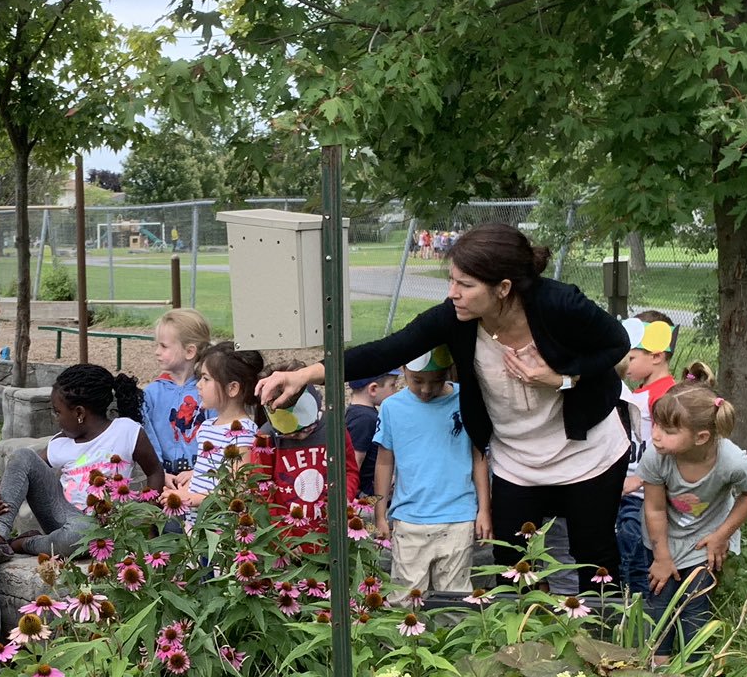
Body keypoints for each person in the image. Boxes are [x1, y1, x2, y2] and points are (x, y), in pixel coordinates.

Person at [258, 223, 631, 580]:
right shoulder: (455, 318)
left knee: (592, 558)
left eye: (465, 285)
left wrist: (563, 378)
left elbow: (617, 344)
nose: (452, 292)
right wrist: (303, 375)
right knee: (511, 560)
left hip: (587, 452)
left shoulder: (560, 304)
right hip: (518, 459)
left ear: (502, 288)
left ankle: (602, 642)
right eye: (451, 280)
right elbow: (385, 352)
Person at [0, 364, 163, 561]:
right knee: (24, 454)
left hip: (105, 527)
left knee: (81, 534)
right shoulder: (61, 442)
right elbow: (24, 466)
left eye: (58, 412)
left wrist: (147, 519)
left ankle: (25, 543)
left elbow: (155, 472)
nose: (56, 418)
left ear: (79, 413)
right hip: (62, 516)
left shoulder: (126, 431)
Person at [639, 377, 747, 658]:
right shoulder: (656, 457)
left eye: (668, 430)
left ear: (701, 437)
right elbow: (655, 509)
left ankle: (692, 667)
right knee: (659, 599)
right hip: (662, 538)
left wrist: (722, 535)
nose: (656, 435)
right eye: (655, 425)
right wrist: (661, 558)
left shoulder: (732, 461)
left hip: (705, 541)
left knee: (695, 603)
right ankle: (657, 667)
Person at [373, 355, 489, 597]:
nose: (426, 390)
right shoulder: (392, 408)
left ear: (448, 371)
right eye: (417, 381)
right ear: (403, 368)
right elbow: (384, 462)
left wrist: (484, 510)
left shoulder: (467, 399)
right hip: (409, 519)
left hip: (458, 518)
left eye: (436, 381)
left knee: (455, 600)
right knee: (405, 599)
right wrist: (380, 513)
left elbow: (479, 457)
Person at [615, 311, 681, 593]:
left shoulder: (666, 397)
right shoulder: (640, 392)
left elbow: (670, 450)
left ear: (656, 355)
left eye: (630, 356)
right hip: (626, 493)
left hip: (643, 498)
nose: (623, 363)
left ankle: (639, 619)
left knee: (635, 562)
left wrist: (640, 479)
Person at [179, 344, 265, 506]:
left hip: (221, 528)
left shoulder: (244, 433)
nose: (198, 384)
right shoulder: (207, 427)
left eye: (206, 379)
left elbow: (235, 489)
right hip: (197, 523)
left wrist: (189, 499)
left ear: (232, 388)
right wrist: (192, 478)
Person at [142, 308, 208, 476]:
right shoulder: (151, 393)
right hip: (165, 479)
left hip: (203, 478)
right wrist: (159, 473)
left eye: (164, 346)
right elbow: (148, 438)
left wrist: (201, 472)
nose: (157, 352)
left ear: (189, 351)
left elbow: (217, 434)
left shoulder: (208, 390)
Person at [346, 373, 395, 497]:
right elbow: (355, 461)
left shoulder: (359, 413)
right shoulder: (364, 419)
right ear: (373, 389)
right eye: (392, 385)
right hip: (367, 495)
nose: (395, 391)